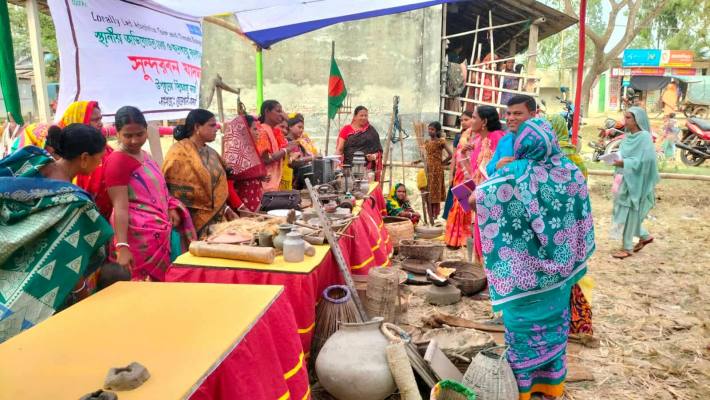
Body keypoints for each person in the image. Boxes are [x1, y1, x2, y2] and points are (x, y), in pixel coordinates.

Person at [472, 118, 595, 400]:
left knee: (523, 330)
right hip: (561, 270)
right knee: (554, 326)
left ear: (523, 144)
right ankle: (551, 387)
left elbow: (476, 200)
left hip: (523, 270)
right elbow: (580, 213)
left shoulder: (515, 172)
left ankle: (524, 389)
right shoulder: (571, 171)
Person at [0, 124, 113, 342]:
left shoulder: (33, 158)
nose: (99, 164)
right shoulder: (75, 203)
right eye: (99, 159)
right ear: (84, 158)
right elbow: (68, 256)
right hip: (34, 281)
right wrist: (82, 292)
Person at [104, 106, 196, 281]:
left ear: (146, 130)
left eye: (139, 134)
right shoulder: (117, 161)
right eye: (127, 135)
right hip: (136, 237)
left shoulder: (145, 155)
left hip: (159, 231)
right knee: (142, 286)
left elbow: (160, 189)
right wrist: (122, 246)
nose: (134, 140)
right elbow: (120, 207)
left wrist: (171, 207)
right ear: (118, 134)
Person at [546, 114, 594, 336]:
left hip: (554, 222)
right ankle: (575, 319)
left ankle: (561, 318)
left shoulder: (552, 158)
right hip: (572, 221)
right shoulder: (575, 157)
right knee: (570, 273)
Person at [163, 109, 235, 237]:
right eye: (212, 125)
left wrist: (226, 208)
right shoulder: (178, 152)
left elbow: (217, 184)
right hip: (189, 220)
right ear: (197, 127)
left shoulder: (211, 152)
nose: (216, 129)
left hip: (217, 220)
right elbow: (166, 186)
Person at [611, 107, 660, 259]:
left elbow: (648, 160)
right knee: (623, 211)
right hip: (624, 179)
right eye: (624, 117)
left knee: (630, 212)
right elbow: (624, 155)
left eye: (628, 118)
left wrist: (625, 163)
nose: (625, 120)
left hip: (637, 181)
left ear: (637, 120)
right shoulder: (627, 137)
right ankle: (644, 236)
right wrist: (616, 159)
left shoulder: (644, 137)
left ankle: (627, 248)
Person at [466, 106, 506, 263]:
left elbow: (498, 170)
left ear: (484, 121)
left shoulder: (497, 138)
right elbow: (475, 172)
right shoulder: (480, 141)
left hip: (491, 200)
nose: (471, 121)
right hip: (480, 197)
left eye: (474, 117)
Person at [223, 114, 267, 212]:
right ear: (244, 131)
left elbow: (247, 176)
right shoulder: (233, 155)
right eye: (255, 129)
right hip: (242, 210)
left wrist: (260, 177)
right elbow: (228, 186)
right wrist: (241, 207)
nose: (258, 133)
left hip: (255, 206)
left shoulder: (250, 152)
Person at [444, 111, 475, 248]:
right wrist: (451, 174)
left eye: (466, 119)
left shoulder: (477, 136)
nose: (463, 122)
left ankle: (465, 237)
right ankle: (455, 238)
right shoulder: (460, 136)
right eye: (461, 120)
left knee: (468, 204)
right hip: (460, 173)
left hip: (472, 173)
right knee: (459, 203)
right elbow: (455, 157)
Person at [487, 95, 537, 177]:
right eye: (508, 113)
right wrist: (497, 166)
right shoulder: (505, 140)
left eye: (517, 114)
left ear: (532, 115)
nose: (510, 118)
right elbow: (489, 169)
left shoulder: (540, 142)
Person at [336, 106, 384, 181]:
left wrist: (374, 156)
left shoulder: (371, 131)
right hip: (348, 169)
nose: (364, 118)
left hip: (366, 171)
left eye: (366, 115)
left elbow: (379, 151)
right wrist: (335, 164)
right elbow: (339, 149)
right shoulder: (346, 129)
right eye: (361, 115)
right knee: (348, 185)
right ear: (355, 117)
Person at [256, 100, 290, 193]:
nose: (281, 115)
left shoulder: (272, 130)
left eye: (282, 112)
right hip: (266, 185)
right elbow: (265, 159)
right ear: (267, 111)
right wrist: (286, 150)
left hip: (274, 184)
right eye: (278, 111)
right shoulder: (262, 130)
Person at [284, 113, 320, 190]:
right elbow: (292, 161)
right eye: (299, 127)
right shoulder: (287, 142)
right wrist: (312, 158)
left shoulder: (299, 142)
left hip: (298, 180)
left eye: (302, 128)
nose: (301, 130)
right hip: (291, 181)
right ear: (290, 127)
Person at [424, 121, 453, 218]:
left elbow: (451, 154)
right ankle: (429, 214)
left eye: (432, 129)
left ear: (437, 131)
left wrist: (442, 163)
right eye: (429, 129)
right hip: (428, 169)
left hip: (437, 170)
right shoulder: (427, 142)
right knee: (428, 190)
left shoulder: (441, 142)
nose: (430, 131)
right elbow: (427, 155)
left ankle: (435, 215)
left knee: (435, 191)